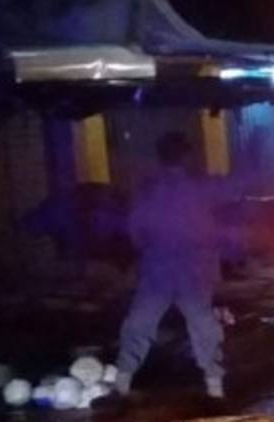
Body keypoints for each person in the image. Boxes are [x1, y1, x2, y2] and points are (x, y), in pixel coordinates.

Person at [114, 132, 236, 399]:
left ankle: (122, 381)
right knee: (203, 326)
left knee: (139, 323)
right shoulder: (199, 188)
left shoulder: (149, 190)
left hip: (159, 271)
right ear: (187, 156)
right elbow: (221, 216)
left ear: (160, 157)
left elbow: (136, 231)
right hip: (190, 271)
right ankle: (214, 386)